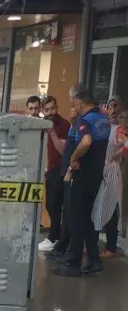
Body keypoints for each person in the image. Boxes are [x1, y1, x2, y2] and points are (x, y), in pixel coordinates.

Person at [53, 84, 111, 277]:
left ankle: (73, 263)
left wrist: (73, 159)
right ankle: (94, 260)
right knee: (87, 220)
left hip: (81, 176)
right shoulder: (103, 119)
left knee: (76, 220)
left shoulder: (85, 121)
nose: (71, 105)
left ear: (78, 101)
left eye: (72, 102)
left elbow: (85, 142)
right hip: (95, 176)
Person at [37, 96, 72, 252]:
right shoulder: (44, 125)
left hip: (60, 169)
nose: (51, 112)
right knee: (50, 205)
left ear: (56, 108)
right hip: (50, 169)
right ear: (43, 111)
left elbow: (62, 150)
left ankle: (54, 237)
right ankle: (55, 235)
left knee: (55, 204)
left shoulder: (63, 125)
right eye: (47, 109)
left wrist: (52, 132)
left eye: (53, 108)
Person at [93, 97, 124, 257]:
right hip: (99, 170)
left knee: (111, 207)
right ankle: (92, 243)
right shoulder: (102, 127)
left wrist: (119, 154)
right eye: (109, 106)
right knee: (96, 207)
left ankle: (111, 246)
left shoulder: (119, 130)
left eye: (115, 106)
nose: (112, 109)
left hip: (112, 172)